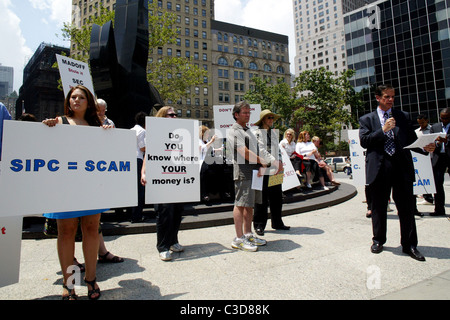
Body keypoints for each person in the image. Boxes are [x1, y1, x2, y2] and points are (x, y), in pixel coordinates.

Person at [42, 85, 109, 299]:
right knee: (66, 232)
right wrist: (46, 128)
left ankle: (91, 280)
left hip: (90, 185)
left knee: (91, 229)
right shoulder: (58, 122)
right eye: (73, 97)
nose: (76, 100)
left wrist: (108, 135)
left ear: (88, 102)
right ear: (68, 101)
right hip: (65, 187)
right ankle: (69, 284)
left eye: (81, 97)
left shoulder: (97, 125)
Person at [359, 84, 435, 262]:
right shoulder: (367, 119)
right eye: (387, 97)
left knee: (407, 207)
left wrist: (426, 148)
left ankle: (409, 245)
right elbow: (365, 141)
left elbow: (411, 141)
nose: (391, 100)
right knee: (378, 207)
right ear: (377, 98)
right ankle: (378, 240)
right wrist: (383, 130)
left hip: (401, 167)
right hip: (380, 167)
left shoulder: (403, 116)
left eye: (393, 97)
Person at [141, 106, 185, 261]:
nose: (174, 117)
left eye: (175, 114)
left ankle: (173, 241)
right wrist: (143, 172)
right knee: (164, 212)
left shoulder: (182, 133)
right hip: (160, 177)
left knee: (177, 212)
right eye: (170, 115)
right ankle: (163, 246)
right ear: (161, 117)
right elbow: (148, 154)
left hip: (178, 177)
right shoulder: (154, 134)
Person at [226, 101, 269, 252]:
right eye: (244, 112)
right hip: (243, 173)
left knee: (249, 205)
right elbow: (243, 151)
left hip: (254, 173)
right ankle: (238, 239)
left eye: (249, 112)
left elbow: (256, 150)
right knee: (240, 204)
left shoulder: (248, 130)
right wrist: (261, 161)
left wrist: (261, 166)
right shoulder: (234, 130)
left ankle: (248, 234)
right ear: (236, 115)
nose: (248, 115)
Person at [253, 109, 289, 236]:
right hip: (262, 167)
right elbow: (261, 149)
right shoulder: (257, 132)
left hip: (274, 168)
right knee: (261, 197)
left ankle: (277, 222)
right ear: (263, 120)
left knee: (276, 197)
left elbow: (277, 149)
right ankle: (259, 225)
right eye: (269, 118)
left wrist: (279, 162)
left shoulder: (273, 133)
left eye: (272, 118)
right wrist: (275, 161)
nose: (271, 120)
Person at [429, 108, 450, 216]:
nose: (444, 120)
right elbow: (431, 141)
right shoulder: (435, 127)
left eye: (446, 118)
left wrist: (447, 140)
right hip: (438, 158)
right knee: (437, 185)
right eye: (442, 118)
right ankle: (439, 209)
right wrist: (436, 143)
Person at [130, 111, 147, 223]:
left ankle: (132, 214)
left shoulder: (131, 130)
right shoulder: (142, 131)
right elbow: (142, 148)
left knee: (132, 189)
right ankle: (137, 216)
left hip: (129, 160)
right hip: (138, 160)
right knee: (139, 189)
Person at [415, 114, 434, 206]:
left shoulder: (433, 130)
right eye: (419, 123)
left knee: (435, 179)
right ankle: (427, 197)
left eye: (422, 122)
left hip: (433, 157)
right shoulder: (416, 132)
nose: (421, 125)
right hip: (422, 159)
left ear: (427, 120)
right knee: (425, 178)